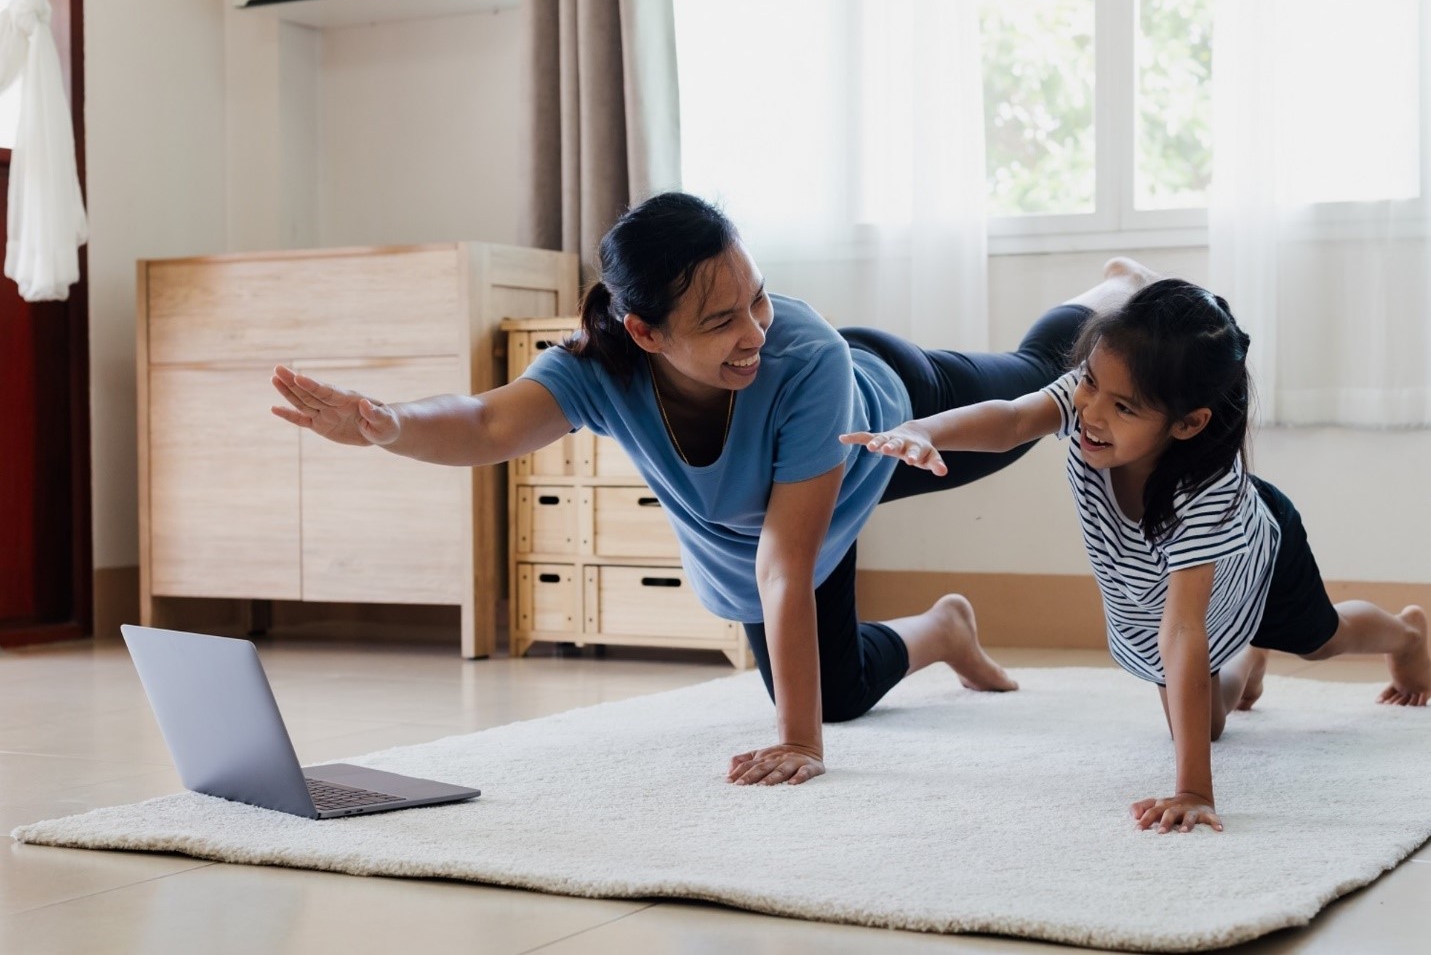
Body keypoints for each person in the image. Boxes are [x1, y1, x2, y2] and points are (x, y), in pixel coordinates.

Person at [271, 191, 1149, 787]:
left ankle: (1108, 289)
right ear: (644, 331)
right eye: (721, 320)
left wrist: (795, 745)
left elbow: (786, 557)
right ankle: (944, 627)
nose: (752, 332)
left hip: (886, 416)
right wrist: (385, 423)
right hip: (790, 509)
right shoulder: (598, 370)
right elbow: (487, 423)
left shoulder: (803, 357)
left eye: (757, 300)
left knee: (1043, 388)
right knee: (835, 693)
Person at [842, 278, 1431, 829]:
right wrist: (924, 430)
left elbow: (1182, 631)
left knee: (1322, 639)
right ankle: (1248, 654)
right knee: (1212, 726)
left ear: (1188, 423)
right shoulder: (1087, 402)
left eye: (1124, 408)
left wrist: (1195, 792)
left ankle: (1405, 636)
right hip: (1164, 597)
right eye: (1089, 383)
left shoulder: (1206, 493)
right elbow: (1013, 418)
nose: (1092, 412)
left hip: (1257, 561)